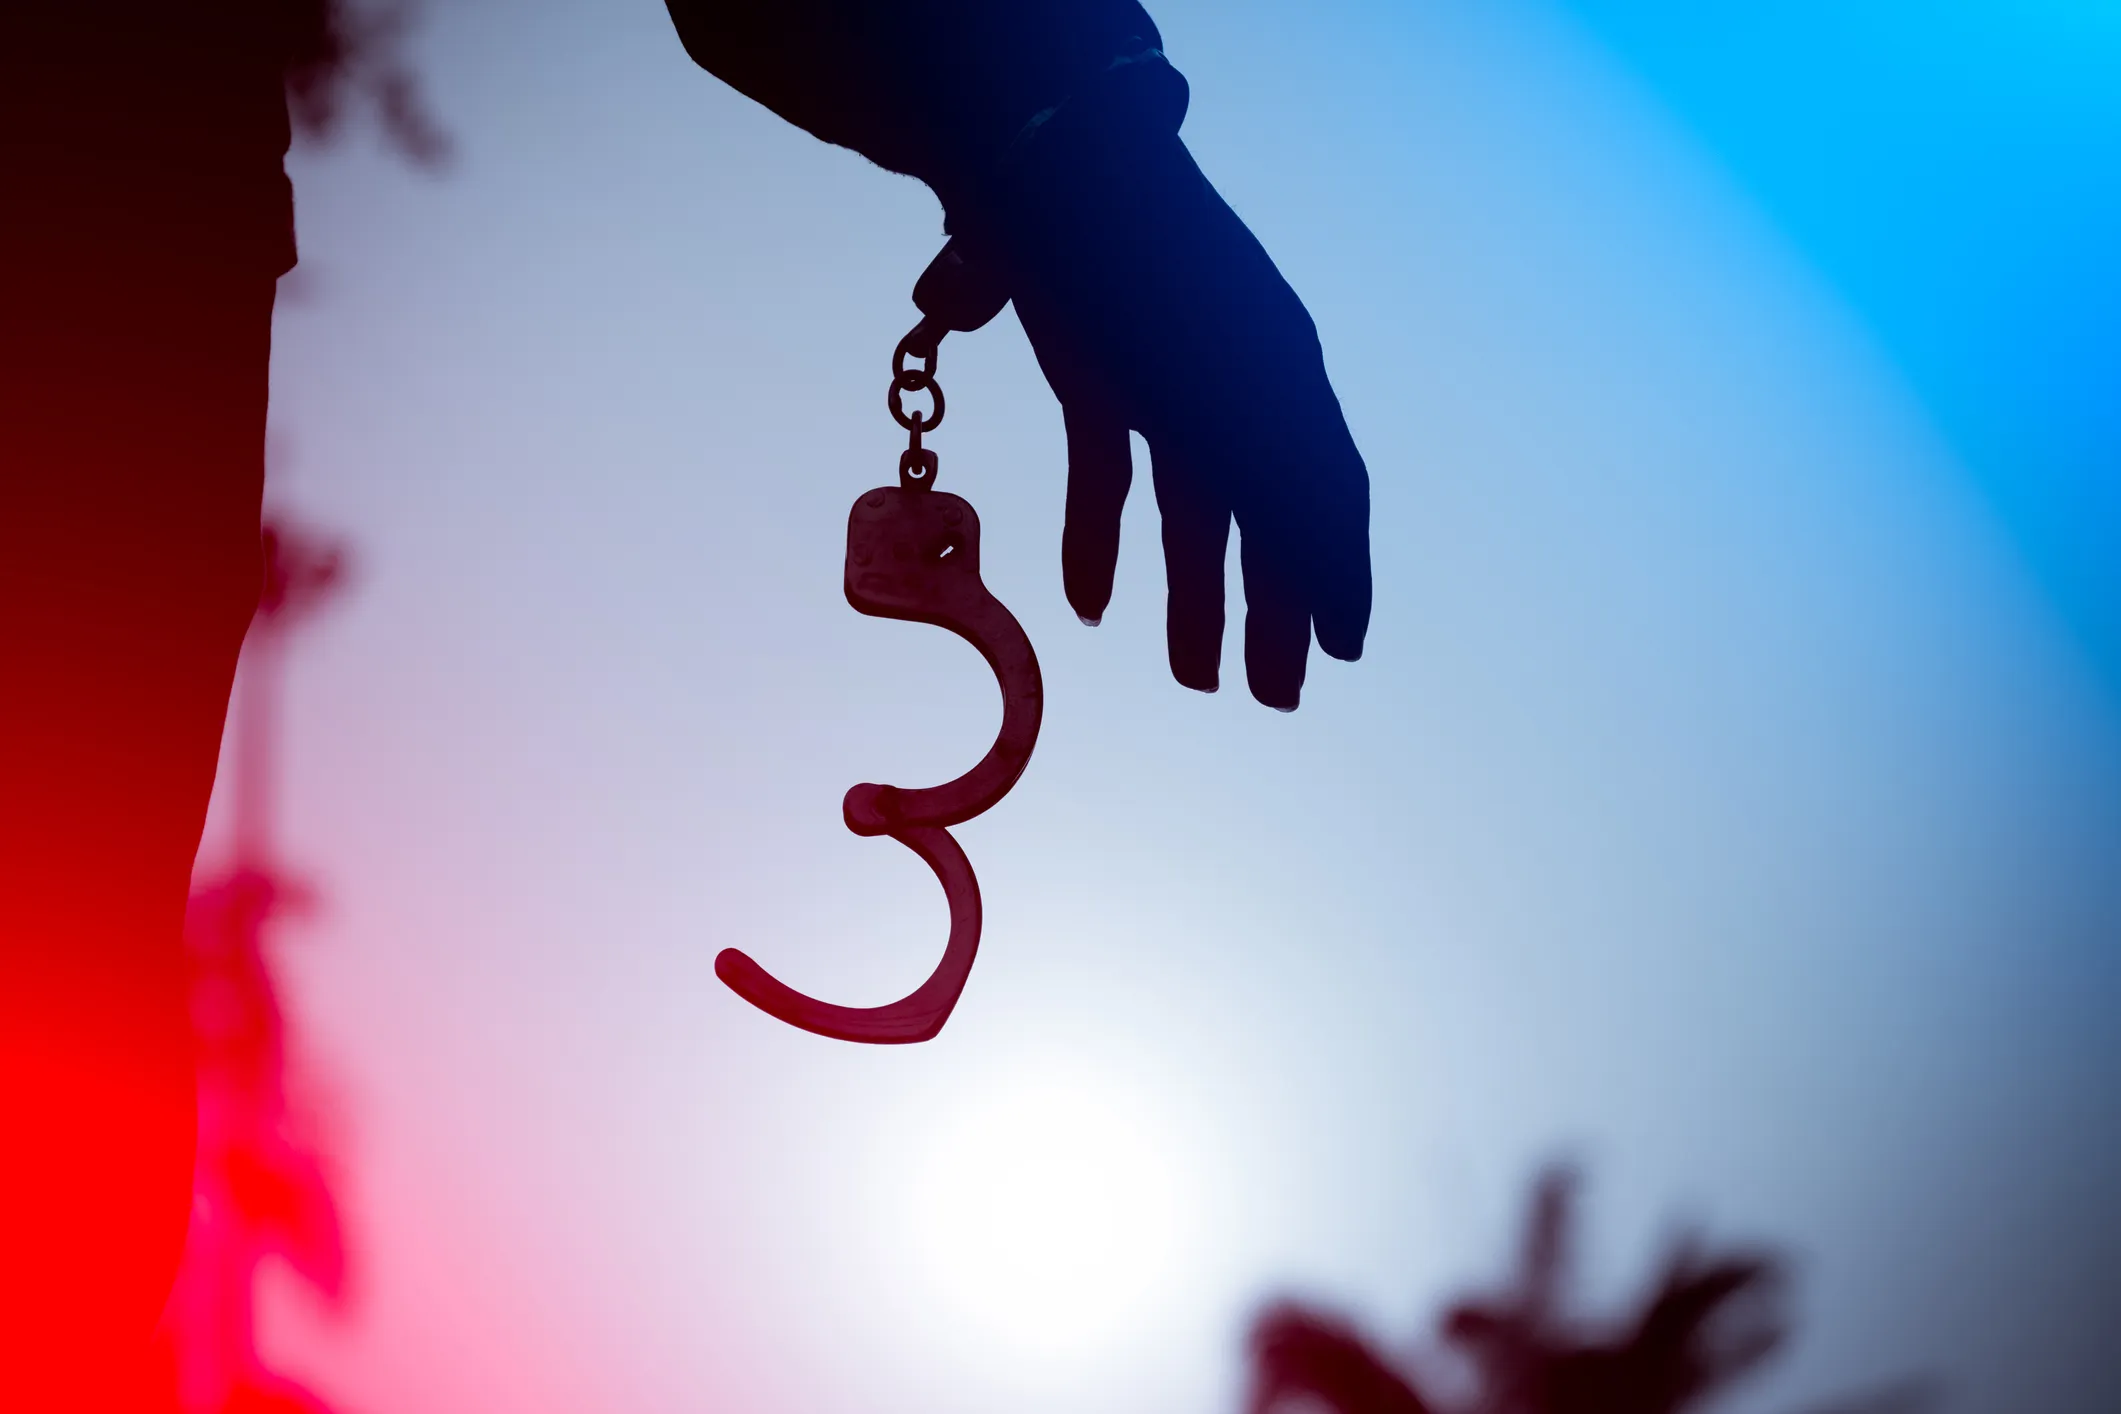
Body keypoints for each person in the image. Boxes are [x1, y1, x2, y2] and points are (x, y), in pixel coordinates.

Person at [0, 2, 1371, 1404]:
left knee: (68, 1146)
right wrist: (1065, 119)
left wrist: (1062, 127)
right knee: (68, 1130)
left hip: (113, 234)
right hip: (113, 234)